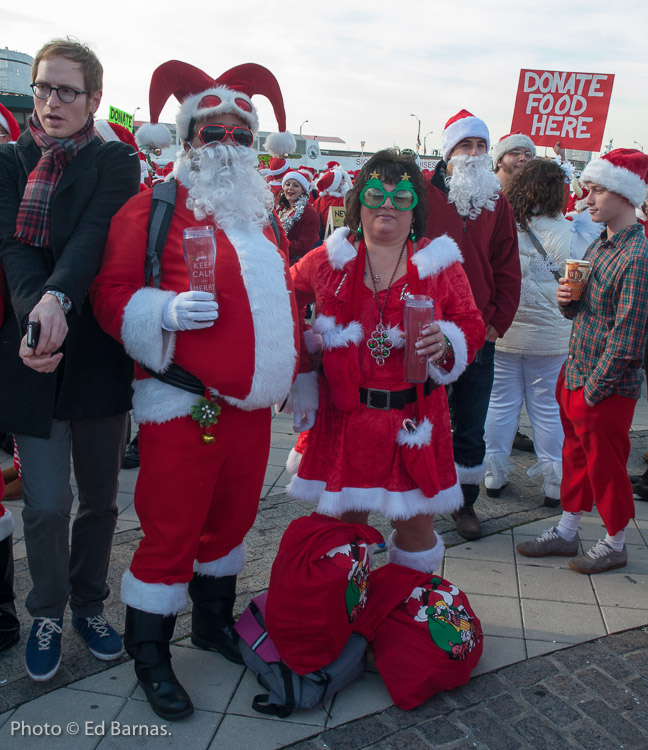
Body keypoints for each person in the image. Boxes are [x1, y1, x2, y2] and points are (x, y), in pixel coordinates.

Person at [91, 59, 315, 721]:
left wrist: (296, 371)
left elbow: (281, 303)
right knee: (172, 530)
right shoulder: (151, 207)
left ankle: (213, 622)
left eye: (238, 135)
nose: (225, 144)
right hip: (183, 404)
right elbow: (109, 295)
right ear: (188, 140)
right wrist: (159, 312)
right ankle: (150, 651)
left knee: (233, 524)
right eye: (210, 132)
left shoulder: (264, 217)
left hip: (249, 414)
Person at [0, 38, 140, 682]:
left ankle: (89, 603)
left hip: (96, 356)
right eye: (43, 88)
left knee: (102, 501)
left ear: (94, 100)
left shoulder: (116, 160)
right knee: (46, 502)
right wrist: (41, 310)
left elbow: (93, 236)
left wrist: (61, 295)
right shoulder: (8, 161)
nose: (52, 102)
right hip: (32, 353)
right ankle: (48, 611)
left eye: (67, 91)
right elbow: (13, 248)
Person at [287, 149, 485, 573]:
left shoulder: (439, 263)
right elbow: (283, 294)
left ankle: (406, 615)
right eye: (376, 194)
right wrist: (302, 356)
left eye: (402, 197)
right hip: (348, 418)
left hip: (415, 418)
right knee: (343, 531)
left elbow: (471, 322)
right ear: (358, 204)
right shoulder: (327, 260)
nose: (387, 205)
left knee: (416, 534)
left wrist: (447, 343)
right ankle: (342, 614)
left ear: (417, 209)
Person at [517, 148, 648, 574]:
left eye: (596, 191)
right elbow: (586, 311)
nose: (585, 200)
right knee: (575, 456)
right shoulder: (601, 242)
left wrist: (593, 390)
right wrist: (568, 302)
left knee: (607, 465)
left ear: (626, 195)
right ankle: (568, 530)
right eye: (586, 189)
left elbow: (628, 337)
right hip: (576, 372)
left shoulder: (638, 255)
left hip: (605, 385)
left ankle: (615, 541)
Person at [425, 110, 520, 540]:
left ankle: (464, 504)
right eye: (466, 145)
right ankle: (419, 499)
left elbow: (507, 265)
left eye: (482, 146)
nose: (475, 154)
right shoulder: (421, 196)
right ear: (448, 152)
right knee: (421, 419)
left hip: (478, 332)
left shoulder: (496, 201)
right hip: (426, 330)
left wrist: (498, 321)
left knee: (470, 424)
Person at [484, 158, 582, 507]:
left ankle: (494, 474)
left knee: (500, 403)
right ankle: (554, 483)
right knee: (547, 409)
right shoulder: (572, 233)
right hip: (553, 336)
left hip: (505, 331)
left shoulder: (503, 224)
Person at [277, 169, 320, 265]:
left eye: (296, 185)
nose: (290, 188)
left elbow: (304, 246)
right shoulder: (281, 209)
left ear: (303, 190)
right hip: (279, 259)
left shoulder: (309, 213)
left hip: (296, 265)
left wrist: (278, 244)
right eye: (287, 184)